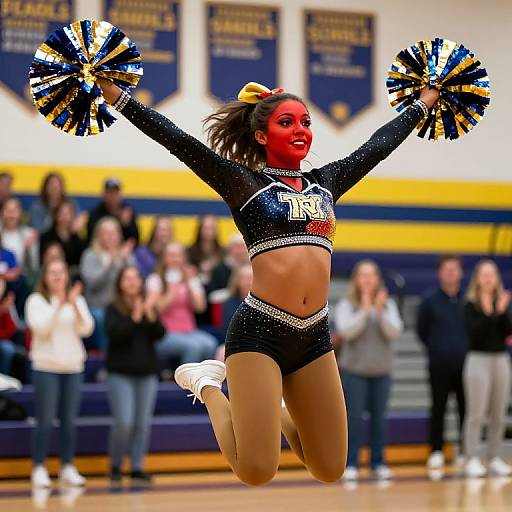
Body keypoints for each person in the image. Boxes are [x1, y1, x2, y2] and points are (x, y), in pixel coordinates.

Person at [99, 77, 439, 486]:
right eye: (287, 123)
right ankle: (207, 384)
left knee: (330, 467)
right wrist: (120, 99)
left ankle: (268, 401)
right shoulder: (245, 184)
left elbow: (377, 146)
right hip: (259, 332)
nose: (300, 130)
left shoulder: (327, 183)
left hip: (314, 335)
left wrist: (422, 105)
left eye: (305, 122)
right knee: (257, 470)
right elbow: (180, 141)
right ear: (262, 134)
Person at [25, 259, 94, 487]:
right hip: (46, 367)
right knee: (44, 421)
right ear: (44, 277)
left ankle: (67, 467)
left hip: (73, 367)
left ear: (66, 275)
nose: (56, 276)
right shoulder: (36, 301)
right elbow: (41, 329)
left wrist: (73, 305)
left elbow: (87, 329)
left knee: (69, 422)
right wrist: (59, 305)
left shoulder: (77, 300)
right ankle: (39, 467)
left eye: (60, 272)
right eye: (52, 272)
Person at [334, 260, 402, 481]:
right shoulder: (347, 304)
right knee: (353, 419)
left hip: (381, 372)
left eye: (371, 275)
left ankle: (378, 462)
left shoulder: (387, 304)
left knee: (379, 420)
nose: (367, 279)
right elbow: (346, 332)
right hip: (355, 371)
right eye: (363, 275)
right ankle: (351, 463)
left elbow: (394, 332)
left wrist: (380, 312)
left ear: (377, 279)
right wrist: (364, 311)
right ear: (356, 279)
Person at [105, 265, 165, 483]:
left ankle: (137, 466)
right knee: (124, 422)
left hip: (146, 373)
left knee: (142, 424)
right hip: (120, 373)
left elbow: (160, 334)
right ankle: (115, 464)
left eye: (135, 278)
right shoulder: (113, 308)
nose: (131, 282)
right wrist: (136, 316)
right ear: (120, 283)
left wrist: (149, 314)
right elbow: (115, 335)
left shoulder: (148, 306)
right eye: (126, 278)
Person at [416, 255, 467, 470]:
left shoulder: (469, 300)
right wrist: (437, 348)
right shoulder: (429, 301)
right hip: (438, 365)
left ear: (461, 272)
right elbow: (422, 331)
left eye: (454, 269)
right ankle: (436, 450)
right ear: (439, 273)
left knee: (467, 410)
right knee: (438, 408)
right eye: (447, 269)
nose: (451, 273)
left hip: (467, 365)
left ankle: (465, 451)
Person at [463, 260, 512, 478]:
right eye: (484, 274)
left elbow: (507, 333)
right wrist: (491, 313)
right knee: (476, 412)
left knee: (499, 412)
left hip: (500, 358)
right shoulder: (470, 304)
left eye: (492, 274)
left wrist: (501, 312)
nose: (488, 278)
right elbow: (475, 335)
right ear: (477, 278)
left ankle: (494, 456)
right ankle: (471, 456)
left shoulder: (503, 301)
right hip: (478, 359)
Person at [146, 242, 218, 366]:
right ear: (163, 258)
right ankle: (185, 383)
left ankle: (203, 381)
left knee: (210, 344)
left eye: (179, 255)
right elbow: (159, 309)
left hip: (189, 331)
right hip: (165, 333)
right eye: (171, 255)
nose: (175, 259)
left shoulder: (191, 278)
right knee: (193, 347)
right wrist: (174, 288)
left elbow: (200, 308)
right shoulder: (155, 279)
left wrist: (190, 283)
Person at [80, 217, 135, 350]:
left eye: (114, 232)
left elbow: (136, 282)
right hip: (99, 307)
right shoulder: (90, 255)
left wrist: (126, 261)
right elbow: (92, 284)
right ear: (98, 235)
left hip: (123, 307)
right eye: (106, 233)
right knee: (101, 318)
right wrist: (110, 264)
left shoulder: (126, 256)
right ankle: (107, 355)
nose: (111, 237)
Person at [40, 199, 86, 276]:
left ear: (73, 215)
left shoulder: (76, 237)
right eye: (62, 213)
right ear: (55, 215)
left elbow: (81, 261)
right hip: (50, 274)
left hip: (72, 275)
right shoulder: (46, 237)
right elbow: (41, 262)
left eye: (68, 213)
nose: (65, 217)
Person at [86, 178, 139, 245]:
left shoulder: (127, 212)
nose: (113, 196)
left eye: (115, 193)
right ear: (104, 194)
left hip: (121, 251)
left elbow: (135, 239)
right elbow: (91, 238)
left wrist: (127, 226)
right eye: (110, 192)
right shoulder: (95, 213)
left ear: (120, 194)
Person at [1, 197, 39, 279]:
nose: (11, 214)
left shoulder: (29, 234)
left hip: (21, 280)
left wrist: (28, 250)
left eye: (14, 210)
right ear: (1, 213)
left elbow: (34, 267)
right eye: (7, 210)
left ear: (21, 213)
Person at [187, 215, 223, 286]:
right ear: (200, 229)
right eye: (206, 228)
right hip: (197, 286)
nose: (209, 232)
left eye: (212, 228)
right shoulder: (190, 251)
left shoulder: (222, 252)